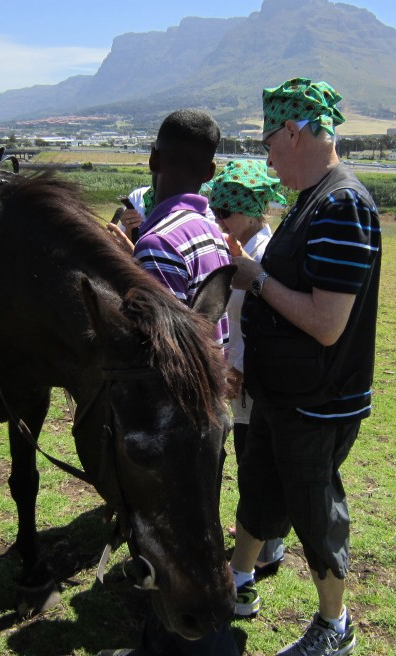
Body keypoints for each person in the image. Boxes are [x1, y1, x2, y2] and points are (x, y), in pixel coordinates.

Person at [227, 79, 381, 656]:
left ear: (293, 132)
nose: (266, 157)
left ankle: (334, 626)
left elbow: (325, 323)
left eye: (269, 143)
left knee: (314, 508)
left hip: (317, 400)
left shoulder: (341, 205)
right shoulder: (310, 199)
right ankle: (238, 582)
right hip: (281, 393)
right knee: (260, 490)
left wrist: (257, 280)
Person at [104, 108, 236, 656]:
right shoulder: (211, 229)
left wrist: (120, 269)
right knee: (202, 532)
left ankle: (188, 645)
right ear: (209, 174)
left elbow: (154, 351)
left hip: (173, 420)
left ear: (154, 161)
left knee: (174, 540)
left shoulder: (156, 243)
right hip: (207, 409)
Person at [208, 160, 286, 576]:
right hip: (241, 375)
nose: (218, 221)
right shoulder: (244, 248)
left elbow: (260, 324)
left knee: (255, 465)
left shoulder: (266, 256)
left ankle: (266, 546)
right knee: (249, 461)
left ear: (250, 210)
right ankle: (260, 537)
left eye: (224, 213)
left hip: (253, 380)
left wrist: (236, 368)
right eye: (214, 212)